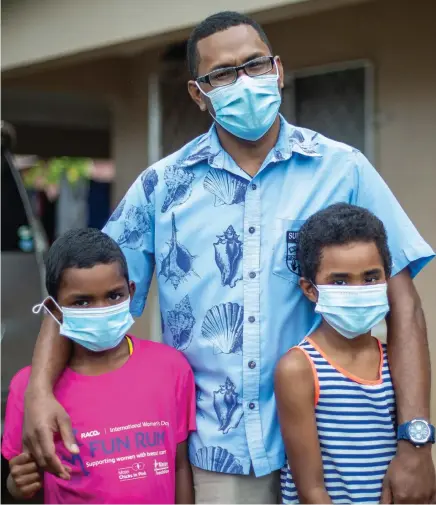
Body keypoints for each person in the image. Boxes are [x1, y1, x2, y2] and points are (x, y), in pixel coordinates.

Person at [22, 10, 435, 505]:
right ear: (199, 93)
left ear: (278, 70)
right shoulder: (162, 187)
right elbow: (77, 293)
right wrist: (38, 393)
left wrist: (415, 440)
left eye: (255, 65)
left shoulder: (343, 169)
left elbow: (404, 306)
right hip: (219, 456)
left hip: (339, 452)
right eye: (222, 74)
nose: (244, 82)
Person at [2, 228, 196, 504]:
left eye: (114, 296)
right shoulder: (29, 390)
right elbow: (22, 477)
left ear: (131, 292)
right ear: (55, 310)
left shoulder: (171, 368)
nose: (100, 310)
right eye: (82, 302)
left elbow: (178, 466)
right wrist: (15, 485)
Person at [276, 203, 435, 503]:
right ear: (310, 289)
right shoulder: (298, 369)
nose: (358, 289)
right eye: (340, 281)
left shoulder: (396, 364)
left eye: (371, 277)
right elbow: (311, 490)